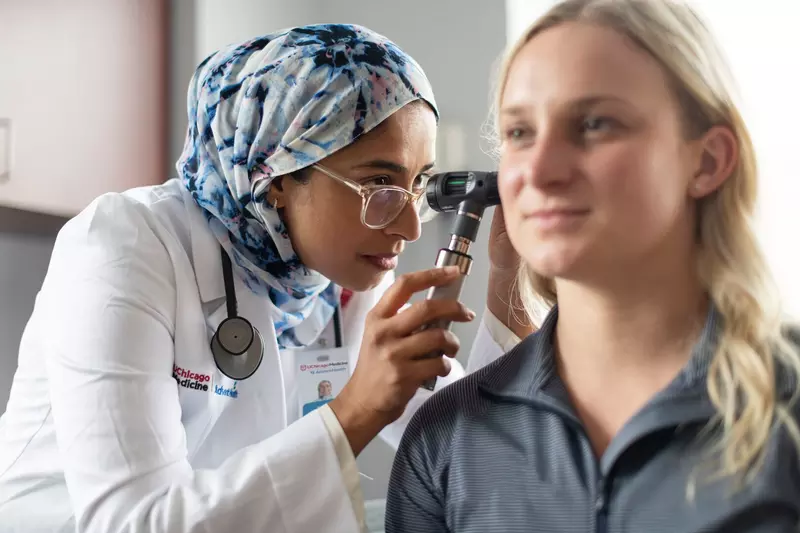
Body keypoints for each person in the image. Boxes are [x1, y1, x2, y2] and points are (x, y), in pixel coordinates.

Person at [0, 24, 529, 533]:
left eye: (417, 185)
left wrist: (511, 277)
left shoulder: (332, 284)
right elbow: (133, 523)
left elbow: (483, 456)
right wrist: (356, 409)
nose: (411, 226)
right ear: (274, 177)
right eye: (379, 184)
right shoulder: (124, 245)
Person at [385, 1, 800, 531]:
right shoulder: (446, 437)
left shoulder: (785, 406)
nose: (538, 169)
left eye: (595, 124)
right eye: (519, 133)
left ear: (708, 160)